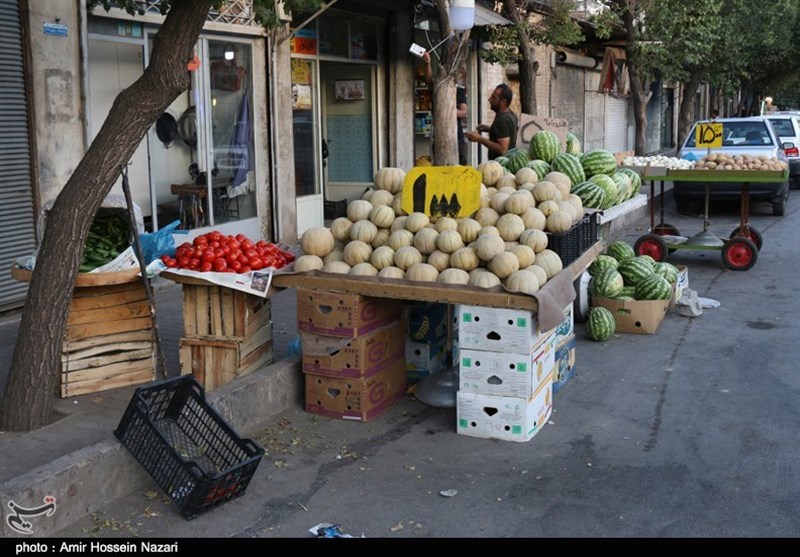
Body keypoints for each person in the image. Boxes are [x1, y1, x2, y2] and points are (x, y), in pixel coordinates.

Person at [422, 51, 469, 165]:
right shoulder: (439, 85)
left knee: (460, 165)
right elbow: (428, 80)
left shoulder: (459, 89)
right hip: (439, 134)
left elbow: (463, 112)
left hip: (456, 135)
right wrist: (427, 63)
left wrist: (447, 110)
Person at [465, 83, 517, 160]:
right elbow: (506, 133)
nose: (489, 99)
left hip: (500, 167)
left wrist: (479, 139)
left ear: (503, 101)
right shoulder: (511, 114)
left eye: (494, 97)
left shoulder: (502, 120)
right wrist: (490, 129)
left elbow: (502, 149)